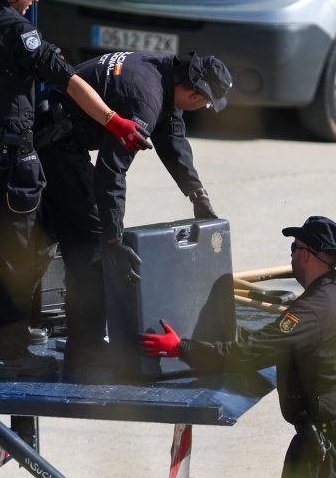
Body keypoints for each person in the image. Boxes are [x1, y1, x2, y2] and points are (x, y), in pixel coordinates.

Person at [0, 0, 151, 379]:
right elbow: (70, 80)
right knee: (22, 257)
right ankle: (10, 353)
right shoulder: (16, 32)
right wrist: (116, 123)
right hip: (8, 160)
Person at [35, 51, 232, 368]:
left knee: (44, 232)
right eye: (207, 103)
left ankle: (2, 321)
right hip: (53, 141)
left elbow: (172, 139)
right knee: (91, 241)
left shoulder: (165, 74)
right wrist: (113, 240)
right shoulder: (145, 97)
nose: (204, 108)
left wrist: (197, 194)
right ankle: (85, 350)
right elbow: (111, 171)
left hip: (58, 131)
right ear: (195, 94)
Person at [141, 216, 336, 478]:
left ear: (307, 255)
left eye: (294, 249)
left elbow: (249, 354)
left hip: (328, 438)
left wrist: (181, 348)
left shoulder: (310, 311)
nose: (292, 257)